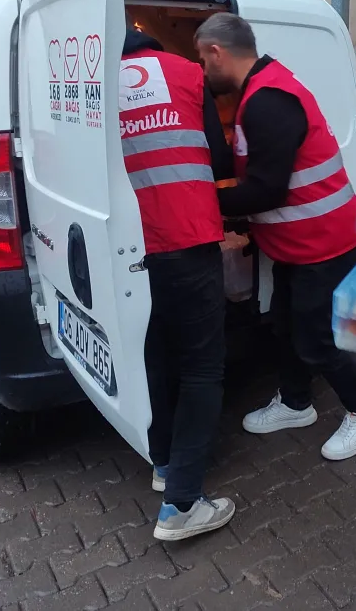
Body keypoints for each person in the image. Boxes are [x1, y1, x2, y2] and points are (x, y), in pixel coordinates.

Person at [194, 13, 356, 461]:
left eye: (202, 61)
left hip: (325, 244)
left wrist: (200, 203)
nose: (202, 72)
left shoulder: (268, 100)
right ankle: (297, 403)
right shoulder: (260, 90)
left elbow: (267, 190)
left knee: (317, 339)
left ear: (217, 53)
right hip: (298, 246)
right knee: (284, 327)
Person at [119, 29, 235, 541]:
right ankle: (182, 504)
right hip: (188, 239)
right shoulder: (188, 73)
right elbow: (220, 159)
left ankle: (164, 463)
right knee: (202, 367)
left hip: (125, 249)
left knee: (154, 353)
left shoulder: (92, 85)